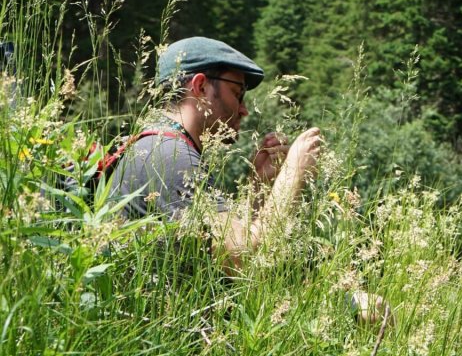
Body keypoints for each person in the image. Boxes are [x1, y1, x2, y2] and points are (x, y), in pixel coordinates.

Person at [112, 36, 322, 266]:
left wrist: (258, 186)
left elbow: (223, 241)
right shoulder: (170, 156)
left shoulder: (158, 145)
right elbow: (242, 261)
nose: (244, 110)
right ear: (200, 87)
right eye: (237, 93)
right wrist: (293, 174)